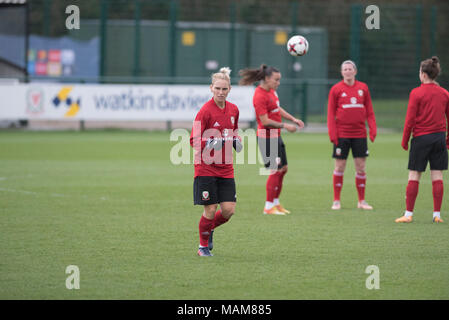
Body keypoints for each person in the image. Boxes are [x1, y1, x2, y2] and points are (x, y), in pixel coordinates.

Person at [190, 67, 242, 256]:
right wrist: (210, 142)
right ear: (211, 88)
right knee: (210, 209)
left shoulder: (234, 110)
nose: (221, 92)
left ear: (229, 90)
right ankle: (203, 247)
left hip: (226, 168)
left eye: (224, 89)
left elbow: (234, 131)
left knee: (228, 211)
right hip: (206, 168)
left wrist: (237, 141)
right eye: (217, 88)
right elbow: (193, 140)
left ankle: (209, 228)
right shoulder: (205, 111)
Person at [239, 64, 304, 215]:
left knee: (283, 169)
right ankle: (268, 207)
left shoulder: (272, 92)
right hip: (266, 138)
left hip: (276, 136)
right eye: (276, 80)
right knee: (275, 170)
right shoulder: (259, 95)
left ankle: (276, 203)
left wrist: (293, 119)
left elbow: (277, 108)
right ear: (267, 79)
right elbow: (265, 121)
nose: (278, 83)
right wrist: (285, 126)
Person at [395, 56, 449, 223]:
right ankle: (437, 215)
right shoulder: (445, 93)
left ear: (424, 75)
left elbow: (409, 120)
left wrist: (404, 141)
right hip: (439, 138)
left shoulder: (416, 93)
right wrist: (447, 138)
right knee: (437, 176)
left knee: (414, 175)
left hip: (421, 139)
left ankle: (408, 214)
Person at [327, 60, 377, 210]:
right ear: (342, 72)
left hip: (360, 134)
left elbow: (369, 110)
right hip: (342, 134)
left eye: (350, 69)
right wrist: (333, 134)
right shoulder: (336, 89)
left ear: (355, 71)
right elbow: (330, 113)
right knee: (340, 166)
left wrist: (372, 129)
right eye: (345, 69)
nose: (347, 71)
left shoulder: (363, 88)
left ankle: (361, 201)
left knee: (361, 167)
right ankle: (336, 200)